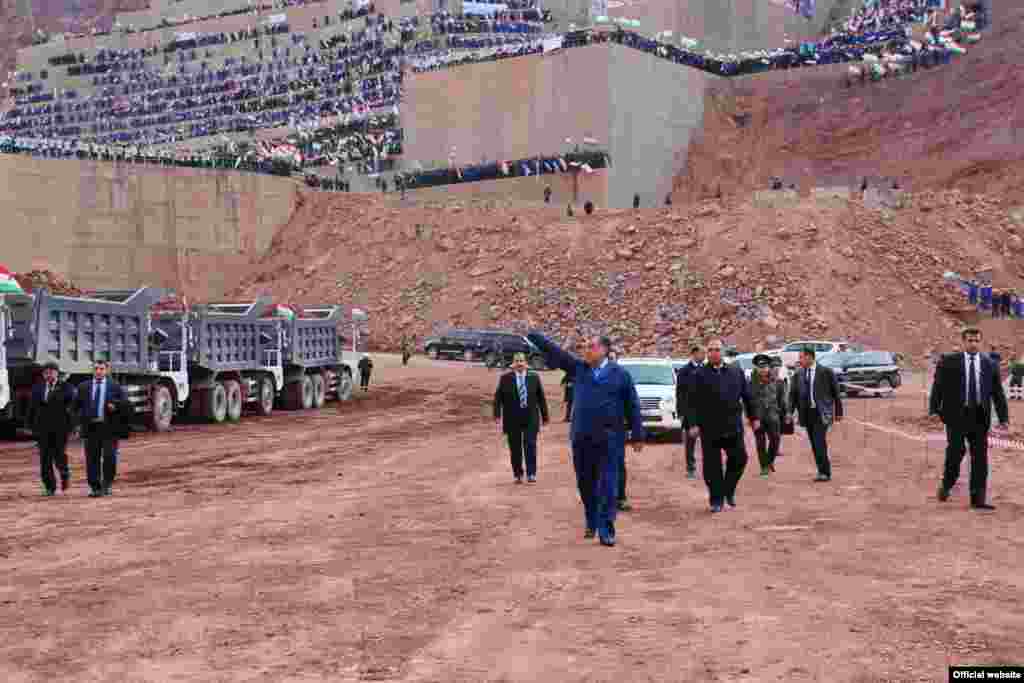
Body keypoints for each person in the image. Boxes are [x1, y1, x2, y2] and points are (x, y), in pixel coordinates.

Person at [527, 332, 643, 546]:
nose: (586, 350)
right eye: (585, 346)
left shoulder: (621, 375)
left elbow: (632, 405)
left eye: (591, 346)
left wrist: (637, 434)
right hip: (582, 437)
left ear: (604, 350)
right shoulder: (579, 369)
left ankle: (607, 528)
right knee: (585, 483)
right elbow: (557, 353)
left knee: (608, 484)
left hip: (610, 439)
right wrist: (532, 334)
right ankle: (592, 518)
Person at [930, 327, 1008, 510]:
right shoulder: (948, 362)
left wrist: (1003, 418)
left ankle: (978, 499)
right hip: (956, 416)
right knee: (955, 454)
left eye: (976, 341)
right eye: (970, 340)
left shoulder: (990, 364)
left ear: (981, 342)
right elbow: (938, 387)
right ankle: (947, 485)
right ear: (963, 342)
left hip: (980, 417)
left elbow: (998, 393)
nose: (973, 344)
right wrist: (933, 410)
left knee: (980, 458)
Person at [687, 339, 758, 512]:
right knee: (712, 467)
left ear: (723, 352)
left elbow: (747, 396)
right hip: (709, 428)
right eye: (710, 350)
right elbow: (691, 402)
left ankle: (728, 490)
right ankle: (716, 500)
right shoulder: (698, 374)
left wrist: (753, 417)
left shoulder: (735, 372)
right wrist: (693, 424)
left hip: (732, 426)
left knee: (740, 459)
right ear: (707, 353)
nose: (714, 353)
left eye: (717, 349)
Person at [788, 347, 843, 482]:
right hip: (807, 414)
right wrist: (789, 412)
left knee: (819, 442)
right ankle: (821, 470)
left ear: (810, 357)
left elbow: (836, 392)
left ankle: (825, 472)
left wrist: (839, 411)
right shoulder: (798, 374)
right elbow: (793, 395)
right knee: (814, 443)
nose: (799, 360)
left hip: (821, 413)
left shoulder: (826, 372)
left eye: (801, 357)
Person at [493, 352, 550, 484]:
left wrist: (545, 416)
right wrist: (497, 414)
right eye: (517, 361)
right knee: (515, 447)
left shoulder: (534, 377)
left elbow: (541, 398)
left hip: (531, 417)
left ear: (525, 363)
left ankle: (531, 473)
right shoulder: (505, 378)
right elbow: (498, 398)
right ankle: (518, 474)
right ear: (513, 364)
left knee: (530, 445)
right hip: (512, 418)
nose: (519, 364)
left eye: (521, 361)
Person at [73, 359, 127, 497]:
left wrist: (115, 406)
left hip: (109, 427)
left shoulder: (115, 386)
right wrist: (77, 425)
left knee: (110, 456)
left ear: (107, 370)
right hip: (90, 427)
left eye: (101, 369)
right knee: (92, 458)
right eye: (96, 368)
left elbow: (126, 405)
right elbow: (75, 407)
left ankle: (107, 484)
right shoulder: (83, 387)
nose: (98, 371)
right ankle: (95, 487)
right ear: (93, 370)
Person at [26, 362, 76, 496]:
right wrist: (30, 425)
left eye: (51, 372)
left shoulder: (67, 387)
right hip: (43, 429)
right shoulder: (38, 388)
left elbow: (72, 408)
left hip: (61, 428)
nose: (49, 375)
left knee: (59, 455)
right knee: (45, 458)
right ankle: (50, 487)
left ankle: (64, 474)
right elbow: (32, 408)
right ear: (43, 374)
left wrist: (74, 426)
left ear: (57, 373)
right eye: (46, 372)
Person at [750, 354, 787, 478]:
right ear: (756, 368)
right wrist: (751, 418)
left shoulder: (778, 382)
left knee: (775, 440)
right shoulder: (750, 383)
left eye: (765, 366)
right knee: (760, 443)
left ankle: (769, 461)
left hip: (773, 416)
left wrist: (786, 414)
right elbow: (747, 402)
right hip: (758, 418)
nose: (763, 369)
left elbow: (782, 400)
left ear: (769, 367)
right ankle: (764, 467)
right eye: (760, 367)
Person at [675, 344, 705, 479]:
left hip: (705, 412)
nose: (704, 356)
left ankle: (709, 467)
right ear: (694, 354)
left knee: (709, 441)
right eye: (701, 353)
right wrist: (681, 413)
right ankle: (691, 468)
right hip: (689, 412)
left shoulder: (706, 369)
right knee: (690, 442)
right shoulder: (684, 371)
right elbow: (680, 394)